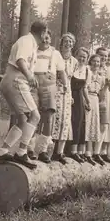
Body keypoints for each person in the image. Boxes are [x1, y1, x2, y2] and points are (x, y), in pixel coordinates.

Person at [0, 21, 48, 170]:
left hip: (13, 81)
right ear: (43, 33)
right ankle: (22, 152)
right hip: (17, 81)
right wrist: (29, 76)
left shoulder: (31, 44)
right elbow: (20, 60)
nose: (46, 37)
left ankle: (3, 151)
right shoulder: (26, 41)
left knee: (23, 120)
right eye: (46, 34)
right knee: (35, 116)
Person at [29, 30, 67, 164]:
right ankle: (30, 148)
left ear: (50, 39)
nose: (45, 40)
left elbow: (62, 72)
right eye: (43, 38)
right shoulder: (32, 51)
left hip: (49, 85)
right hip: (33, 85)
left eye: (47, 38)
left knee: (48, 117)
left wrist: (65, 85)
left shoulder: (55, 53)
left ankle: (43, 150)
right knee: (32, 115)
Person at [51, 33, 78, 163]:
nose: (68, 44)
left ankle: (59, 152)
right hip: (54, 89)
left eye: (71, 42)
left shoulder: (74, 61)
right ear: (62, 43)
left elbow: (70, 80)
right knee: (53, 119)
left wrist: (71, 95)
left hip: (67, 92)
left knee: (65, 121)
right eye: (66, 41)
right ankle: (47, 151)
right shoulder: (56, 55)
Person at [84, 54, 109, 166]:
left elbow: (102, 93)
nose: (96, 64)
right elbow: (83, 87)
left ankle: (90, 153)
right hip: (87, 97)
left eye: (98, 62)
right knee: (86, 124)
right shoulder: (86, 72)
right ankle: (84, 152)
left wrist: (107, 86)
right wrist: (86, 101)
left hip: (95, 99)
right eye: (94, 61)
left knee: (93, 126)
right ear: (90, 62)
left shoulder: (101, 77)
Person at [92, 47, 110, 165]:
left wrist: (109, 84)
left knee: (104, 126)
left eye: (106, 56)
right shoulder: (92, 68)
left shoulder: (107, 70)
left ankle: (97, 152)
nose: (104, 58)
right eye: (102, 56)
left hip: (104, 100)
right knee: (92, 125)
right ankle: (89, 152)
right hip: (93, 98)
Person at [69, 47, 91, 164]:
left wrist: (87, 101)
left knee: (81, 122)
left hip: (79, 97)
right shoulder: (72, 66)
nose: (82, 59)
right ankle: (71, 151)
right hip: (70, 96)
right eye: (80, 56)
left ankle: (79, 151)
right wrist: (69, 96)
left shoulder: (87, 71)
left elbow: (84, 88)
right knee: (73, 122)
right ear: (76, 56)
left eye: (84, 57)